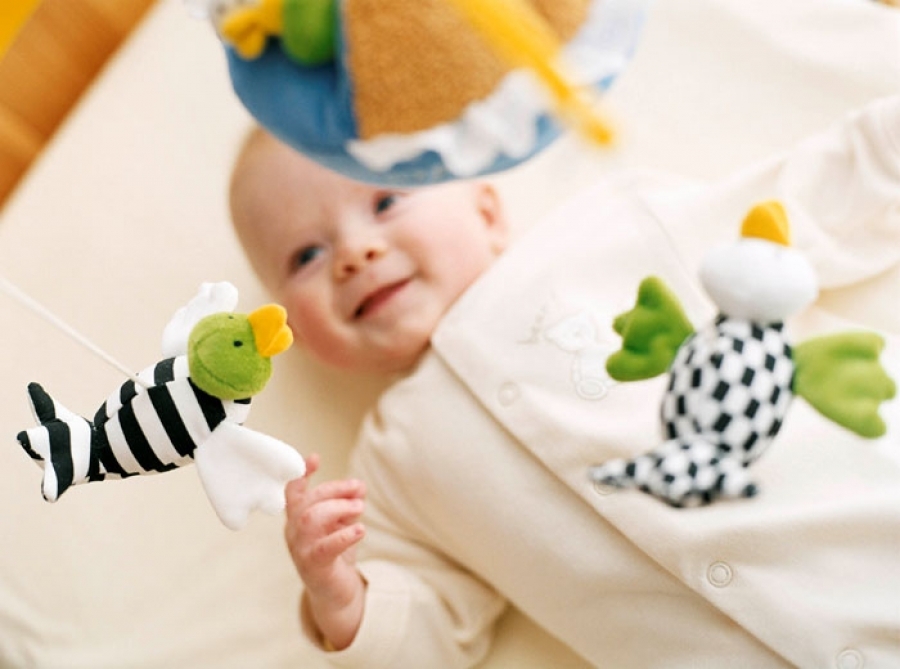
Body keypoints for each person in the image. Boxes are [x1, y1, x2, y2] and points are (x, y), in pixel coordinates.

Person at [229, 96, 900, 667]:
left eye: (385, 200)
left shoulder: (610, 230)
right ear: (288, 324)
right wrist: (341, 596)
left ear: (487, 211)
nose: (355, 253)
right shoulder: (391, 467)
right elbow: (431, 630)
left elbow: (801, 206)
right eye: (305, 255)